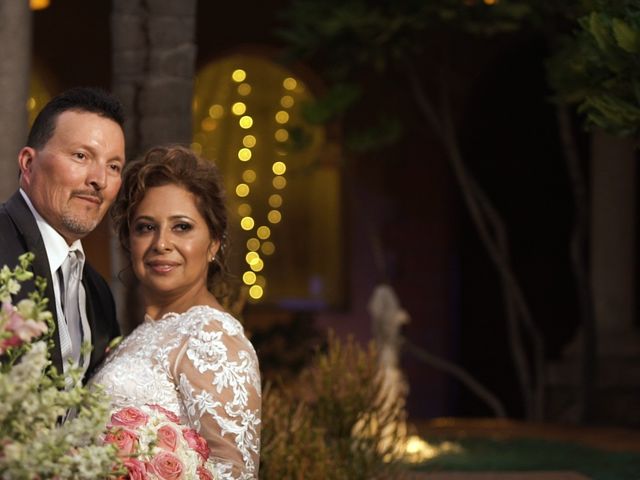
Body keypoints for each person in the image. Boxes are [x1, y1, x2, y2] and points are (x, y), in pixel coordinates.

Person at [91, 145, 261, 479]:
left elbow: (234, 474)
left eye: (181, 227)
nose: (161, 243)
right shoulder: (143, 333)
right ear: (129, 241)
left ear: (214, 243)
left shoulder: (214, 337)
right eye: (145, 227)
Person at [0, 86, 125, 379]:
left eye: (114, 166)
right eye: (81, 156)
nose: (99, 180)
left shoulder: (99, 294)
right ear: (29, 164)